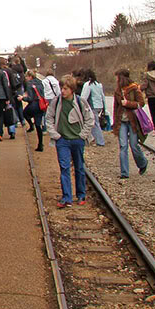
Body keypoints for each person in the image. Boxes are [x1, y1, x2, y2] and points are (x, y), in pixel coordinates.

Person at [46, 75, 93, 207]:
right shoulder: (56, 102)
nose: (63, 91)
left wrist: (82, 135)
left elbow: (89, 119)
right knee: (64, 167)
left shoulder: (80, 102)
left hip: (77, 140)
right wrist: (55, 135)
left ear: (72, 89)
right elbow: (49, 117)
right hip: (62, 140)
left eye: (66, 88)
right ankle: (67, 197)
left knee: (79, 167)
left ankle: (81, 194)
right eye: (62, 88)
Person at [112, 69, 149, 179]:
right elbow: (116, 107)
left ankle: (142, 163)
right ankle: (124, 173)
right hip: (122, 122)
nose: (116, 80)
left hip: (132, 122)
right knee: (123, 146)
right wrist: (115, 122)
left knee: (134, 145)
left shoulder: (134, 88)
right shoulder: (117, 91)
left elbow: (141, 103)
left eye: (117, 77)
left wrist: (128, 104)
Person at [19, 70, 47, 151]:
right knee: (38, 125)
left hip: (34, 105)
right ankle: (40, 144)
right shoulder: (40, 82)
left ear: (30, 77)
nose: (26, 79)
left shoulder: (29, 84)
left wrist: (22, 98)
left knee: (24, 113)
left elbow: (30, 98)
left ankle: (31, 125)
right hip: (41, 105)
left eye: (26, 77)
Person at [80, 68, 106, 146]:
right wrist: (104, 107)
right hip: (99, 106)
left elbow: (83, 97)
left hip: (93, 106)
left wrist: (80, 105)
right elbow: (103, 96)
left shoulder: (88, 84)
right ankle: (93, 139)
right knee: (93, 123)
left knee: (94, 124)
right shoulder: (98, 84)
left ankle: (100, 141)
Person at [9, 62, 26, 134]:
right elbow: (23, 81)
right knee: (20, 106)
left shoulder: (11, 73)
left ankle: (16, 121)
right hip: (20, 91)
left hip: (13, 91)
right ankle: (22, 120)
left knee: (14, 106)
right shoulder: (21, 73)